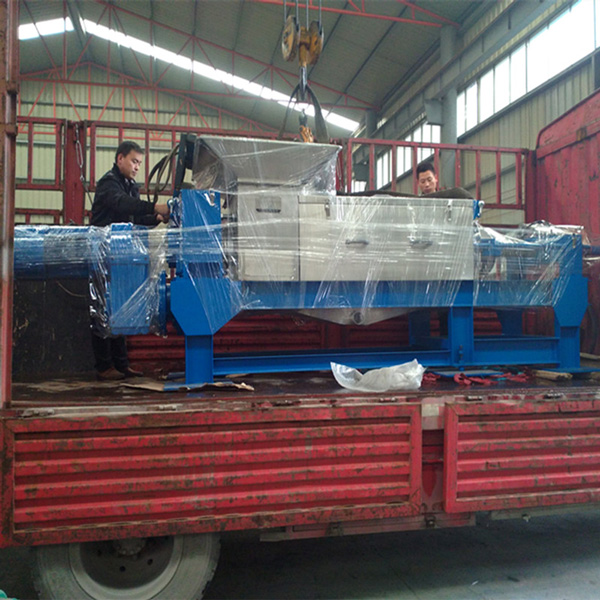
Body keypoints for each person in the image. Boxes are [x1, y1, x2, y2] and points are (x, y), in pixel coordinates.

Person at [90, 140, 170, 381]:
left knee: (120, 308)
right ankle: (104, 366)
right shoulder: (109, 184)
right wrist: (155, 206)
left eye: (139, 163)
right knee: (102, 308)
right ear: (120, 159)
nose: (137, 167)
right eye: (134, 161)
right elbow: (122, 204)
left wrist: (156, 218)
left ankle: (122, 364)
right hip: (103, 255)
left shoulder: (130, 186)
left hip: (121, 255)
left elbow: (134, 217)